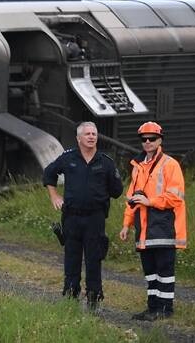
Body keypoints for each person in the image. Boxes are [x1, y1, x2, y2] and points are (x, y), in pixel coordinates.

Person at [42, 121, 123, 310]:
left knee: (94, 259)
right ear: (79, 138)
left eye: (94, 133)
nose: (91, 136)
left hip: (95, 218)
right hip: (71, 217)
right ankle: (71, 295)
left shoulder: (105, 162)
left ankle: (94, 298)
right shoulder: (68, 158)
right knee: (72, 258)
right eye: (87, 134)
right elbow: (48, 174)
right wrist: (54, 195)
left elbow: (117, 190)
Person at [120, 121, 187, 321]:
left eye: (152, 139)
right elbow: (132, 198)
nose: (147, 142)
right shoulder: (138, 166)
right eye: (144, 139)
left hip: (165, 226)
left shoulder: (170, 164)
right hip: (144, 227)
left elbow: (176, 196)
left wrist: (151, 201)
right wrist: (126, 224)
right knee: (150, 271)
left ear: (160, 140)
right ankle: (152, 308)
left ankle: (165, 309)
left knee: (164, 270)